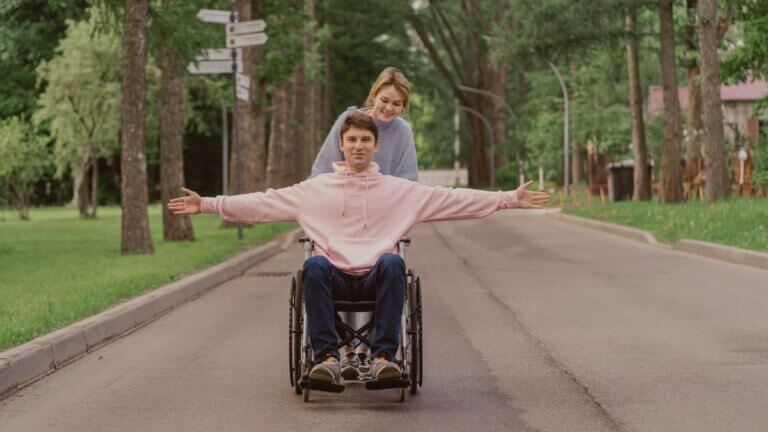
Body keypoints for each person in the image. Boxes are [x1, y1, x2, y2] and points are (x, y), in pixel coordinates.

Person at [167, 113, 550, 388]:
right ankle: (327, 360)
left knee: (392, 261)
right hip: (331, 278)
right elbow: (264, 203)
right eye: (352, 140)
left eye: (366, 140)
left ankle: (385, 359)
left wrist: (508, 199)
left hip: (377, 278)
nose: (358, 146)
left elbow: (452, 198)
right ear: (342, 144)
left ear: (376, 146)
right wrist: (209, 204)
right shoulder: (315, 189)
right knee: (313, 265)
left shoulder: (400, 191)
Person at [311, 66, 417, 378]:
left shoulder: (403, 133)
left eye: (397, 104)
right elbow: (320, 171)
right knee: (326, 264)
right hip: (341, 211)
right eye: (385, 100)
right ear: (374, 95)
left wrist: (391, 206)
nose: (389, 109)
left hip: (381, 215)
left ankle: (378, 354)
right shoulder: (349, 124)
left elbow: (410, 180)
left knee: (386, 263)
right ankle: (340, 352)